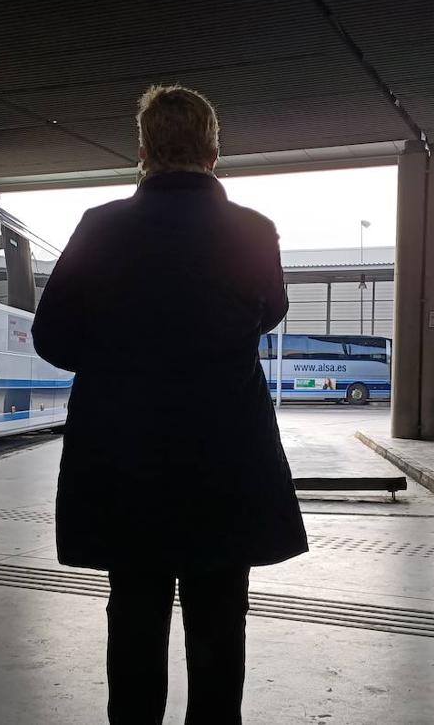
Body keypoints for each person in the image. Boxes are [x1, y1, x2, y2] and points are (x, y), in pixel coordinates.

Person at [31, 85, 308, 724]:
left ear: (143, 151)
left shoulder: (101, 227)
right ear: (214, 149)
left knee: (133, 620)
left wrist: (117, 356)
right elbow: (270, 311)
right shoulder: (253, 229)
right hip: (224, 460)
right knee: (218, 625)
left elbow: (53, 337)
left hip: (126, 460)